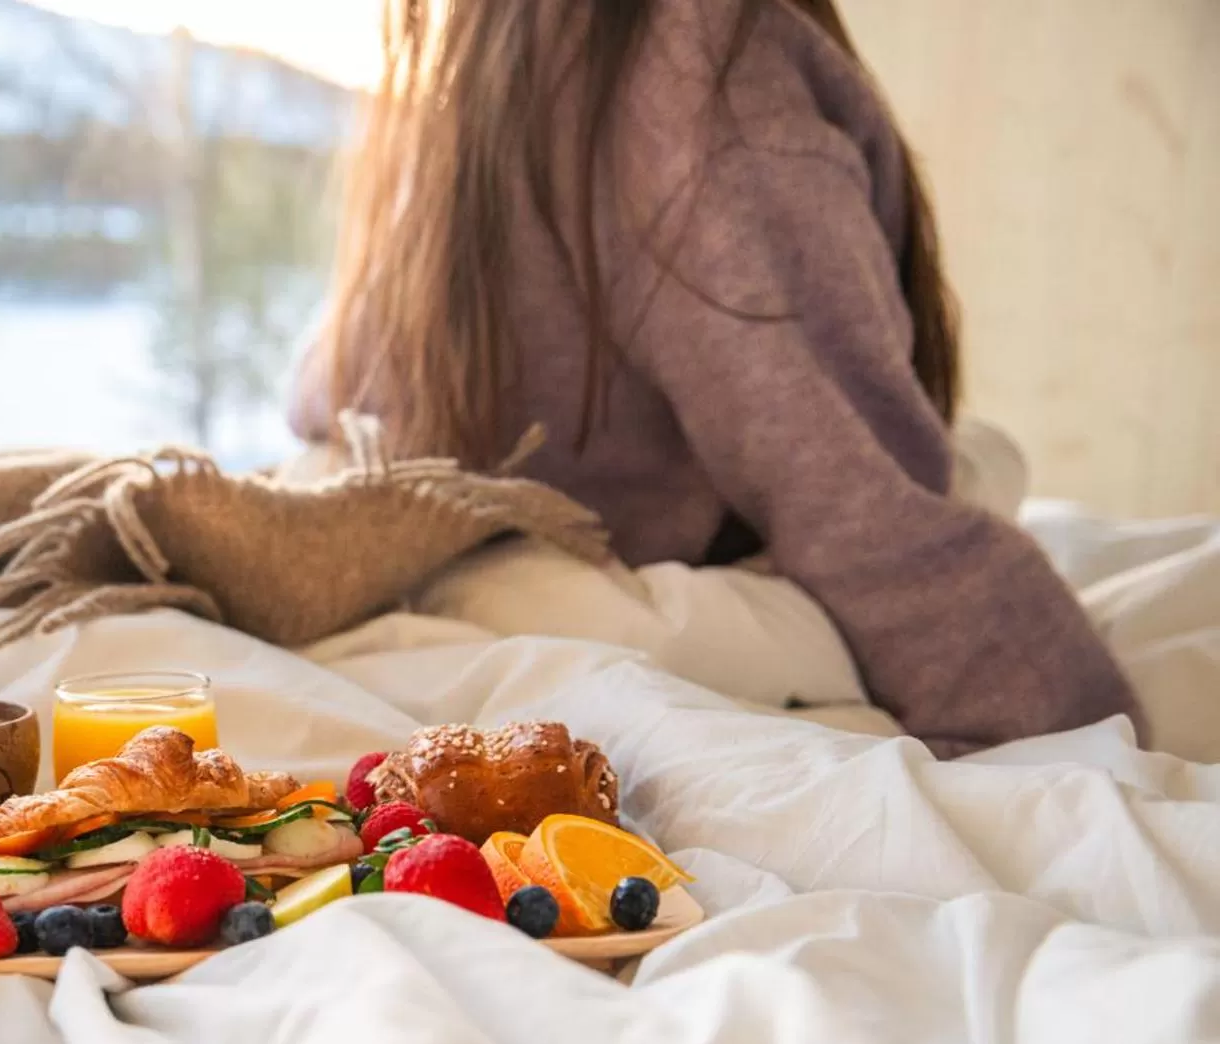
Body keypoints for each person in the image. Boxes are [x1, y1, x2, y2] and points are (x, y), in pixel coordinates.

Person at [290, 0, 1142, 754]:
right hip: (595, 567)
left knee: (978, 461)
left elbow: (330, 389)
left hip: (444, 554)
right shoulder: (695, 68)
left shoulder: (479, 44)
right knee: (985, 463)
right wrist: (1075, 734)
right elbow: (847, 488)